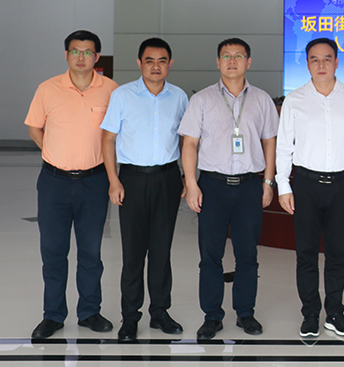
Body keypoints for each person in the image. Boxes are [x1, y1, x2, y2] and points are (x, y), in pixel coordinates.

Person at [276, 37, 344, 338]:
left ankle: (334, 313)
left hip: (341, 185)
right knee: (306, 254)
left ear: (336, 62)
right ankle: (310, 314)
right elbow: (284, 147)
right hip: (305, 186)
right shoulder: (294, 100)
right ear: (307, 64)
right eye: (314, 59)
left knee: (337, 254)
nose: (321, 65)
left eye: (327, 58)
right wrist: (283, 185)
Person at [178, 38, 278, 341]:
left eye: (238, 56)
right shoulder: (202, 100)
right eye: (226, 56)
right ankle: (212, 316)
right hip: (212, 186)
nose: (232, 61)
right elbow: (189, 144)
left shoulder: (261, 100)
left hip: (249, 186)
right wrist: (191, 183)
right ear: (218, 62)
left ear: (249, 61)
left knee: (248, 254)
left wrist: (268, 182)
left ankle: (246, 312)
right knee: (210, 255)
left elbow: (270, 142)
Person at [25, 30, 119, 340]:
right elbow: (35, 128)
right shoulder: (47, 89)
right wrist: (54, 153)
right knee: (53, 251)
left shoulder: (112, 90)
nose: (81, 57)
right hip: (54, 183)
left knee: (90, 251)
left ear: (96, 56)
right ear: (66, 54)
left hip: (94, 182)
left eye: (87, 52)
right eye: (75, 51)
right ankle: (53, 315)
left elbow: (116, 135)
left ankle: (89, 311)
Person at [100, 37, 189, 341]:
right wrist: (114, 180)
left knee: (162, 251)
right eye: (149, 60)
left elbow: (186, 140)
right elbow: (108, 139)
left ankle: (160, 312)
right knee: (133, 253)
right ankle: (130, 317)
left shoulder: (179, 97)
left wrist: (186, 177)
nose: (155, 66)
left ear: (170, 64)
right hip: (132, 180)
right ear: (139, 63)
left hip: (167, 178)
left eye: (162, 60)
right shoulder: (122, 95)